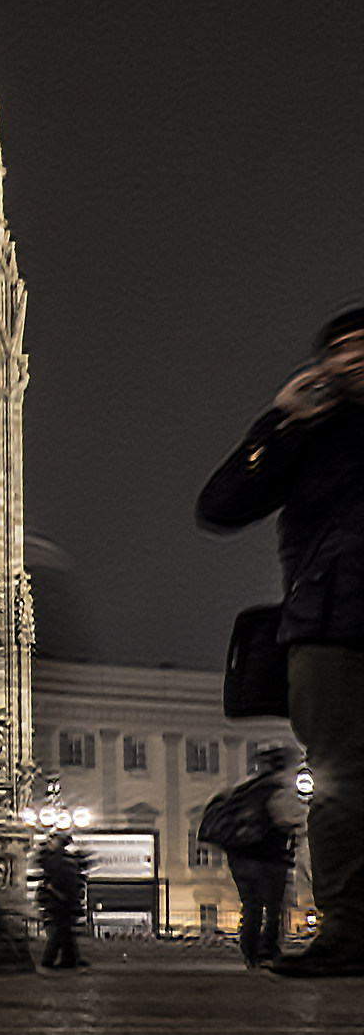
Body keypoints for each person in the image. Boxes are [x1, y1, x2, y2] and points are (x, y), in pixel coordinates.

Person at [198, 307, 364, 975]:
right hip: (329, 629)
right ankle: (348, 933)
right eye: (342, 348)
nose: (355, 356)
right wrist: (280, 418)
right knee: (342, 784)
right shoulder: (308, 434)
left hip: (328, 622)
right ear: (322, 365)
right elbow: (221, 505)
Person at [203, 745, 307, 967]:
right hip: (269, 858)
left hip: (240, 857)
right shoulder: (279, 790)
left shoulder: (247, 790)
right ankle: (268, 950)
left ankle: (250, 951)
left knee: (250, 905)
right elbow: (291, 821)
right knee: (274, 908)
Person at [35, 832, 89, 970]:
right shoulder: (57, 859)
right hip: (60, 898)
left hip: (60, 898)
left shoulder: (57, 858)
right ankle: (52, 959)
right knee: (61, 930)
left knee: (64, 930)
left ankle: (69, 958)